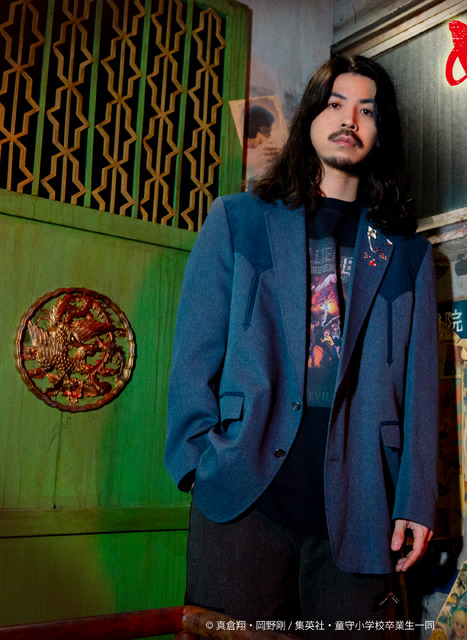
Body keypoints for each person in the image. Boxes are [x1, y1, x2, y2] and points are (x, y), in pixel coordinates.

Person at [165, 55, 439, 635]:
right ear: (312, 117)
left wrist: (416, 497)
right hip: (244, 494)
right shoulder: (239, 220)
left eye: (367, 111)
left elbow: (420, 386)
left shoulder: (406, 253)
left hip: (362, 497)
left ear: (380, 131)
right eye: (336, 104)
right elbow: (194, 352)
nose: (350, 119)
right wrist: (197, 462)